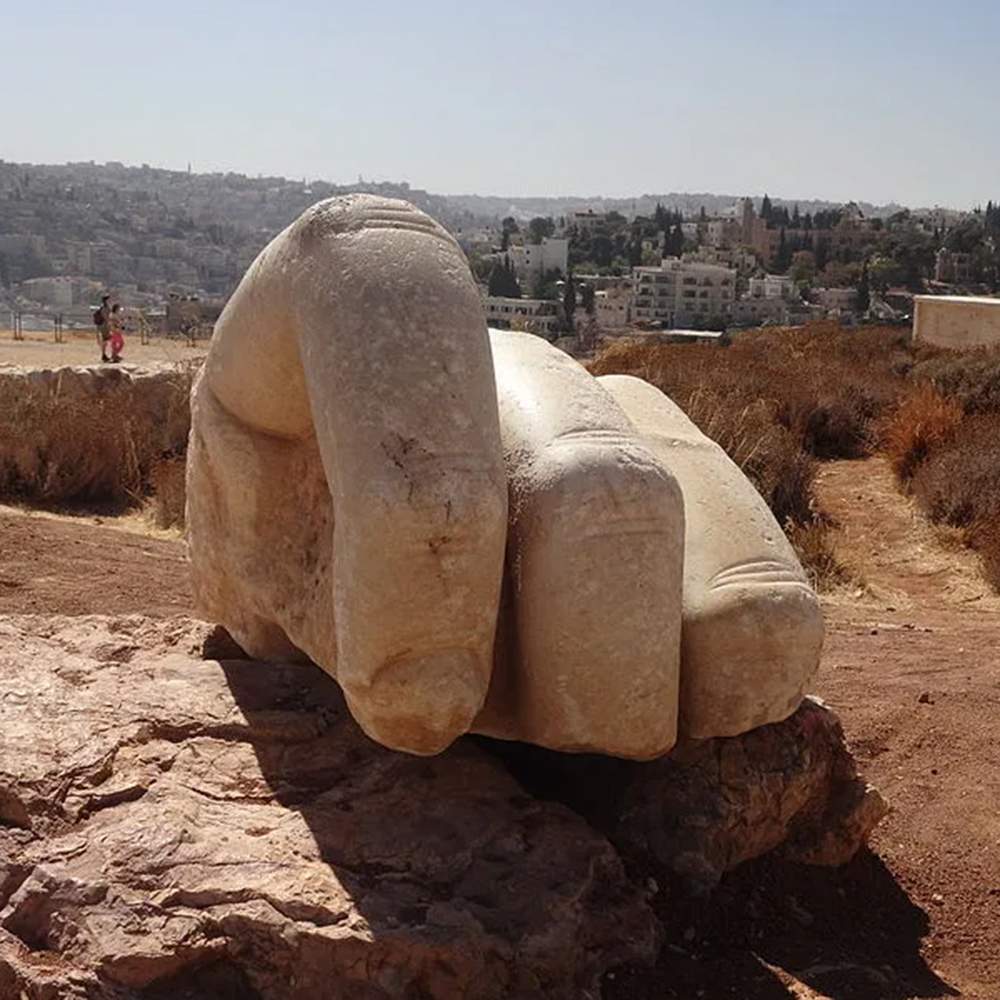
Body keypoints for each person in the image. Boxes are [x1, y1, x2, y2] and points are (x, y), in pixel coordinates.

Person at [95, 295, 112, 362]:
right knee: (105, 340)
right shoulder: (105, 308)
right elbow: (105, 317)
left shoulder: (104, 307)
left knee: (105, 340)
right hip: (104, 326)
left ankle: (104, 354)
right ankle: (104, 354)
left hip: (104, 325)